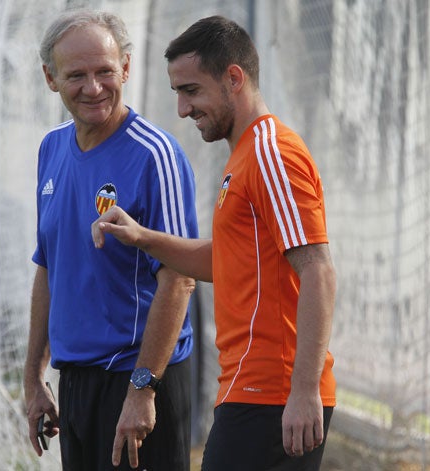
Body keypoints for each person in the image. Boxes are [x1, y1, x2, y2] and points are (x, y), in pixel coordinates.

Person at [92, 15, 337, 471]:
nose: (183, 109)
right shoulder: (244, 155)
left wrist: (303, 391)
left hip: (273, 392)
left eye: (191, 91)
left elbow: (318, 269)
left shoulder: (270, 153)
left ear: (234, 78)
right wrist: (142, 237)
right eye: (178, 94)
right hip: (252, 389)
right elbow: (224, 262)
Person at [23, 9, 199, 471]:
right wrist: (32, 379)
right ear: (50, 78)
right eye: (76, 75)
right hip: (76, 384)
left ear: (125, 67)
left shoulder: (155, 154)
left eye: (105, 71)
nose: (93, 87)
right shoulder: (51, 149)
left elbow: (180, 280)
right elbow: (49, 266)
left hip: (138, 379)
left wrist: (143, 390)